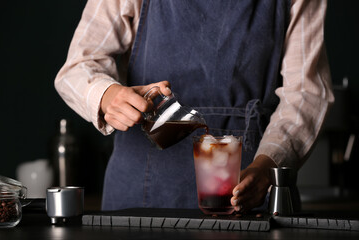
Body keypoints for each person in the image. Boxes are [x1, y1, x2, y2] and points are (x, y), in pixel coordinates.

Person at [55, 0, 334, 212]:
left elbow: (307, 93)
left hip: (250, 194)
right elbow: (78, 68)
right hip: (139, 189)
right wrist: (106, 95)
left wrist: (268, 166)